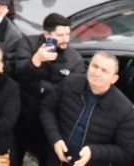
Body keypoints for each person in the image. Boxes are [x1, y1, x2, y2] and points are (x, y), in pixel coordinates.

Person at [18, 13, 86, 163]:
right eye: (60, 35)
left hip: (52, 123)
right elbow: (19, 75)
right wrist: (36, 61)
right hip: (24, 115)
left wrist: (42, 87)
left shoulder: (74, 59)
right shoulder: (28, 44)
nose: (66, 39)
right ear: (47, 34)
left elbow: (72, 90)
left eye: (68, 34)